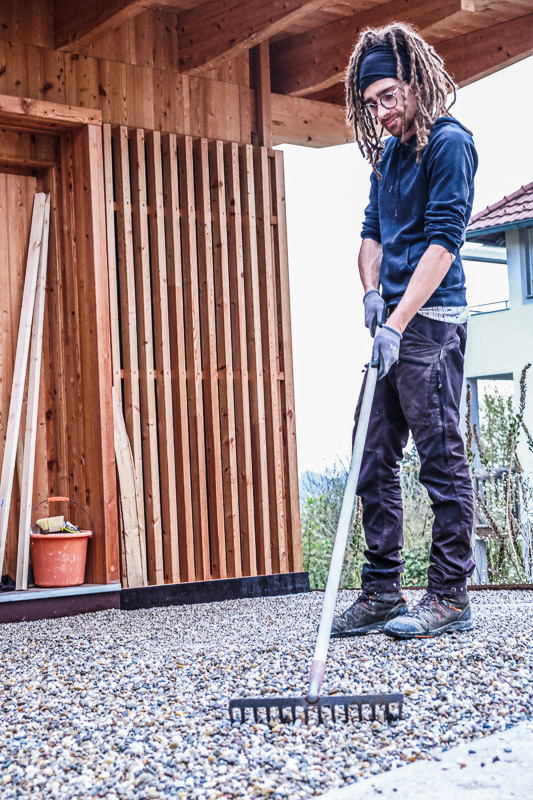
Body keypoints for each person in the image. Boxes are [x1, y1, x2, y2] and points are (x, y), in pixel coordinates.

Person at [331, 22, 478, 639]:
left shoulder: (449, 144)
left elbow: (444, 242)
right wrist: (370, 292)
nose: (383, 111)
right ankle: (383, 592)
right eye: (373, 102)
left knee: (440, 462)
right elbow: (370, 232)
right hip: (391, 325)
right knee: (372, 458)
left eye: (391, 96)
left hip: (432, 323)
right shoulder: (387, 156)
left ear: (416, 83)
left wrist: (397, 319)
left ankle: (449, 597)